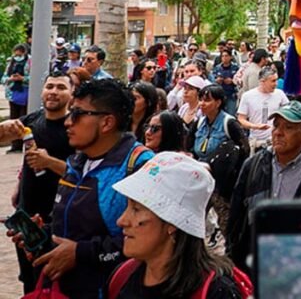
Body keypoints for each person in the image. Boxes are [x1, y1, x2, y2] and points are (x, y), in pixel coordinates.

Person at [15, 79, 154, 297]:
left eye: (78, 113)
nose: (68, 122)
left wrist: (80, 254)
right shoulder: (78, 162)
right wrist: (44, 236)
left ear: (107, 122)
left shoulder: (140, 167)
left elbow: (151, 243)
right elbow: (73, 229)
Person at [107, 151, 246, 298]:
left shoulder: (216, 293)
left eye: (136, 209)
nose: (121, 221)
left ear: (173, 222)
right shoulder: (122, 277)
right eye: (127, 207)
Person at [227, 101, 301, 273]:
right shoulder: (254, 165)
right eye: (276, 125)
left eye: (288, 127)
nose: (278, 132)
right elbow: (236, 220)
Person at [0, 72, 75, 293]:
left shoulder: (75, 127)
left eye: (61, 88)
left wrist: (49, 162)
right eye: (49, 86)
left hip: (59, 221)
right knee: (29, 281)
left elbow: (84, 175)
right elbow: (4, 139)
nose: (53, 92)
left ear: (71, 94)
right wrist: (4, 129)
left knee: (53, 283)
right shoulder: (32, 121)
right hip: (27, 217)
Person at [192, 84, 249, 241]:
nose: (202, 104)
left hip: (223, 186)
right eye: (201, 100)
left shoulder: (229, 123)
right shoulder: (199, 124)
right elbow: (188, 147)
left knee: (226, 223)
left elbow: (244, 148)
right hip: (200, 182)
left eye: (207, 100)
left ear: (218, 103)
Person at [236, 65, 289, 151]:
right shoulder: (248, 96)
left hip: (275, 141)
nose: (276, 84)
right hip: (256, 142)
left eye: (276, 80)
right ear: (262, 81)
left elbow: (288, 112)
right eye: (273, 81)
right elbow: (241, 119)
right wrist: (255, 126)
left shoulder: (280, 94)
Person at [4, 43, 30, 152]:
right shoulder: (11, 62)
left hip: (25, 94)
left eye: (20, 53)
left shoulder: (30, 62)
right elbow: (4, 77)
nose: (17, 56)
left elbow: (34, 77)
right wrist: (10, 79)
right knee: (13, 119)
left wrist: (22, 78)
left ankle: (25, 144)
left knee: (23, 120)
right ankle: (15, 145)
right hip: (13, 94)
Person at [211, 51, 240, 116]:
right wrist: (217, 80)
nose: (224, 58)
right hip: (220, 95)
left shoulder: (236, 68)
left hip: (231, 95)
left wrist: (232, 81)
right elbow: (212, 80)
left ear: (230, 57)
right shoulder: (217, 68)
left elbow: (240, 80)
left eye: (226, 56)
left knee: (230, 114)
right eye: (223, 56)